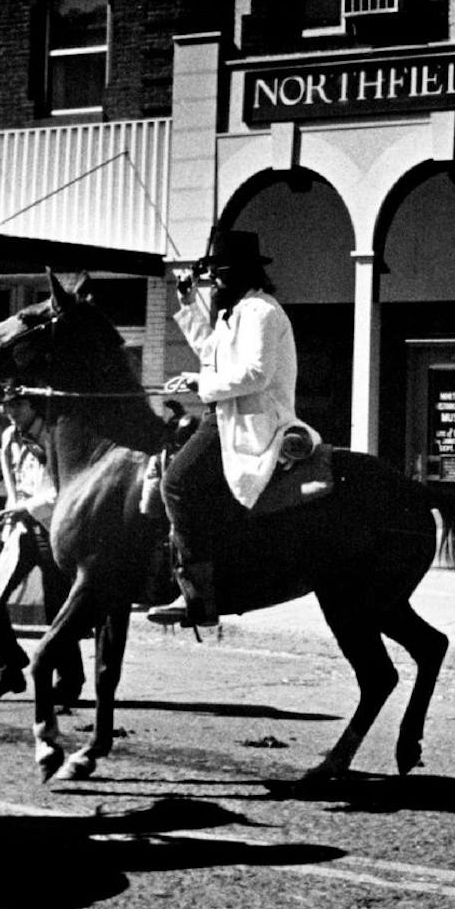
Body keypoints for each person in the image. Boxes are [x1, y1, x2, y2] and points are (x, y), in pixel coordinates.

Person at [145, 228, 305, 628]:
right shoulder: (236, 314)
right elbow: (210, 354)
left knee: (175, 484)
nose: (212, 281)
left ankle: (197, 596)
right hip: (224, 417)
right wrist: (186, 305)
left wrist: (202, 383)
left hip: (252, 423)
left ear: (240, 273)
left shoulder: (264, 313)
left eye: (218, 273)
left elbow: (256, 374)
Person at [0, 389, 84, 702]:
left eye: (18, 404)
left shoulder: (54, 435)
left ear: (34, 405)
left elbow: (61, 488)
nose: (10, 411)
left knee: (58, 608)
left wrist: (26, 508)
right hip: (22, 528)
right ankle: (9, 670)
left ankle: (70, 680)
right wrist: (13, 515)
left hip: (52, 528)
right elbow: (12, 483)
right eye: (7, 405)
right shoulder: (10, 436)